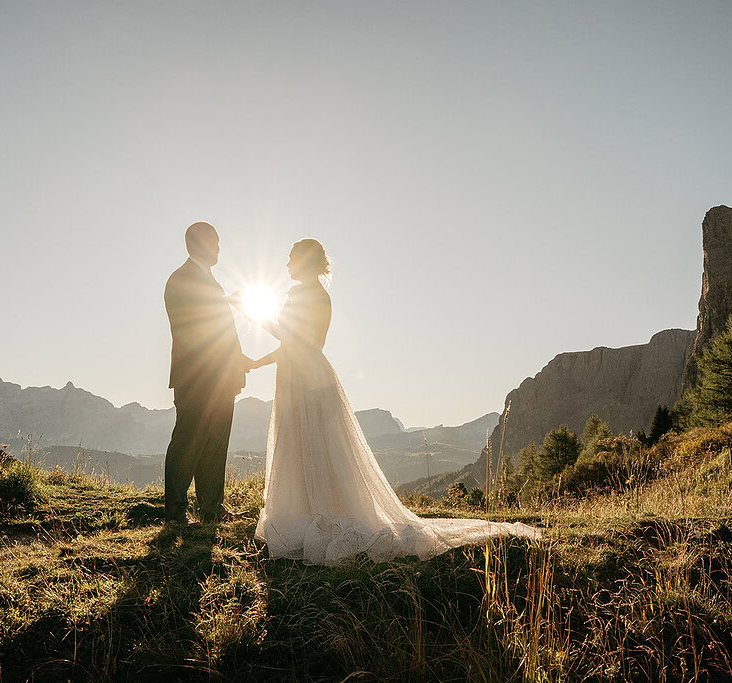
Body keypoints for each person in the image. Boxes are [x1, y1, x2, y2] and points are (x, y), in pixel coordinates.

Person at [245, 238, 541, 565]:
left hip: (307, 379)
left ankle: (322, 510)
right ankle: (304, 508)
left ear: (304, 261)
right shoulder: (308, 295)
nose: (286, 263)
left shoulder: (315, 297)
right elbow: (293, 344)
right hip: (297, 375)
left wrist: (254, 315)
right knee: (299, 444)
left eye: (291, 258)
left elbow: (300, 342)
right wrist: (259, 361)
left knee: (315, 444)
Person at [163, 222, 252, 526]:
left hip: (220, 378)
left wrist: (236, 365)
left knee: (216, 444)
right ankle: (175, 514)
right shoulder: (180, 280)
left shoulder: (210, 282)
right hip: (197, 377)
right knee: (186, 442)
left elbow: (222, 330)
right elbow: (193, 327)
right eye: (215, 241)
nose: (218, 247)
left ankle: (211, 510)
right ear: (199, 244)